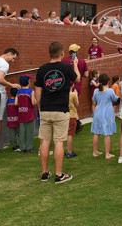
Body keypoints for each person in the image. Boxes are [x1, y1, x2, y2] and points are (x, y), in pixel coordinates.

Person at [35, 42, 80, 184]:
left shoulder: (42, 69)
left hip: (46, 109)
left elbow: (37, 90)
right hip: (61, 110)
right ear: (62, 53)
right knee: (59, 142)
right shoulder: (67, 67)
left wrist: (40, 108)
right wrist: (76, 65)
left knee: (45, 142)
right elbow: (78, 79)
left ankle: (44, 173)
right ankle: (59, 175)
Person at [91, 73, 119, 159]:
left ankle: (95, 152)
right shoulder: (110, 91)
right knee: (107, 134)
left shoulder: (96, 91)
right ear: (107, 81)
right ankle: (107, 154)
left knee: (96, 133)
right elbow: (115, 99)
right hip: (107, 113)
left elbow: (94, 101)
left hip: (98, 112)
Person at [16, 75, 36, 153]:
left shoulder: (18, 92)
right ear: (28, 82)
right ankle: (29, 147)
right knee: (30, 132)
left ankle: (22, 147)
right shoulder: (31, 91)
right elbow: (33, 102)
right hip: (30, 114)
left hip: (21, 114)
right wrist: (37, 101)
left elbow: (16, 103)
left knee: (22, 131)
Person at [65, 87, 80, 158]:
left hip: (63, 115)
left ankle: (61, 151)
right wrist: (76, 95)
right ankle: (69, 152)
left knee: (61, 135)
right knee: (69, 134)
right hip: (71, 115)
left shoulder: (62, 93)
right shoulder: (73, 94)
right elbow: (77, 105)